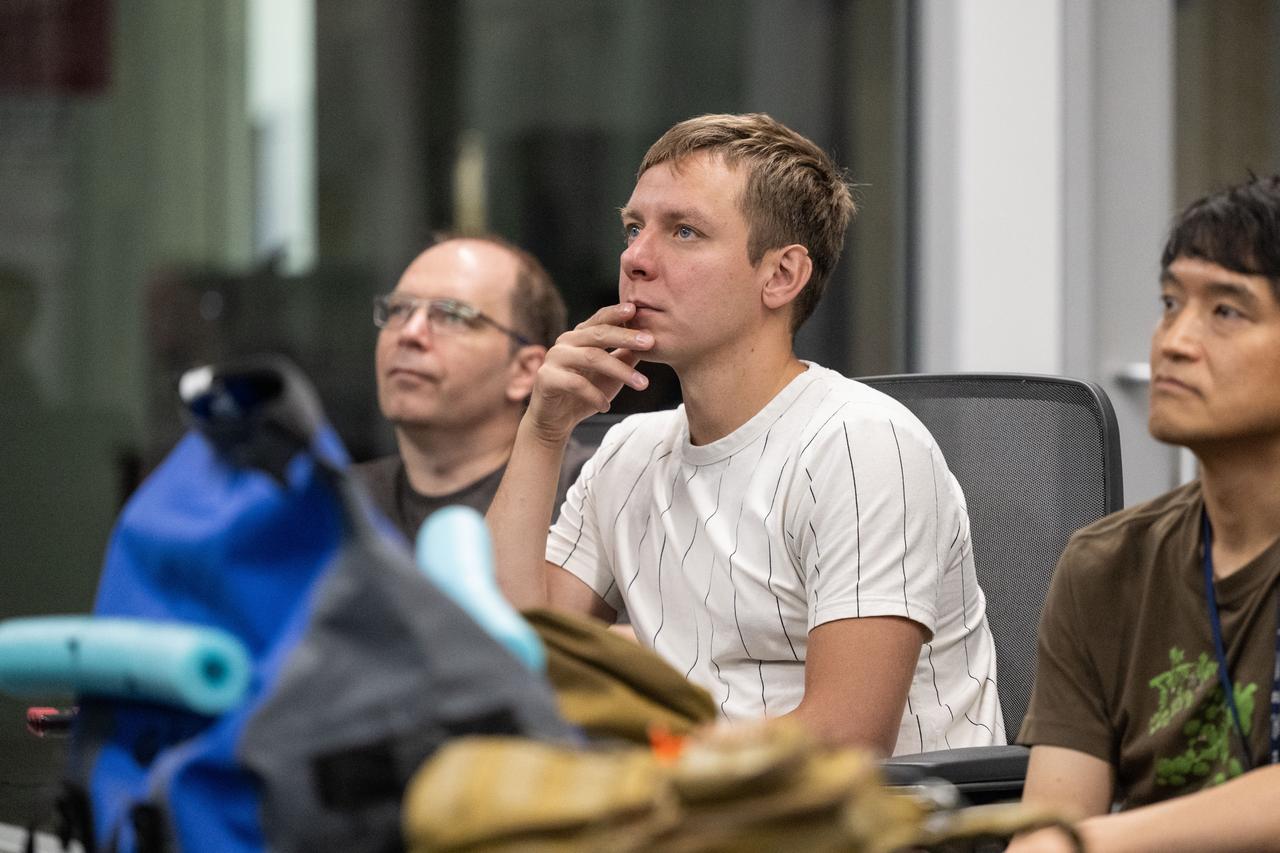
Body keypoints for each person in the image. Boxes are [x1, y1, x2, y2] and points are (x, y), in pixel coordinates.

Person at [486, 113, 1002, 754]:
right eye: (633, 228)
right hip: (698, 811)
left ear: (781, 276)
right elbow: (510, 664)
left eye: (684, 231)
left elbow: (845, 738)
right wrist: (543, 431)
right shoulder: (628, 453)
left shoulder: (862, 445)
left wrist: (644, 778)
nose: (635, 259)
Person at [1013, 175, 1280, 851]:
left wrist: (1089, 844)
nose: (1174, 341)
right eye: (1170, 303)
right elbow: (1051, 821)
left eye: (1227, 311)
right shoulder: (1107, 563)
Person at [354, 235, 594, 542]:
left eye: (452, 315)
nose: (410, 333)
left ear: (524, 370)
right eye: (400, 310)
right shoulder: (338, 506)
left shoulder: (588, 493)